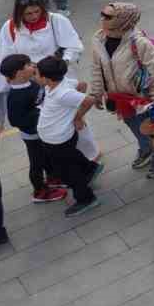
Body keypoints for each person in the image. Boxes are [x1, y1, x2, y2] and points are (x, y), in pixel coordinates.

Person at [86, 1, 154, 177]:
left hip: (142, 97)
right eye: (102, 14)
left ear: (123, 19)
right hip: (118, 97)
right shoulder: (98, 39)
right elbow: (97, 67)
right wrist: (96, 93)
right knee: (133, 124)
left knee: (149, 126)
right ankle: (146, 148)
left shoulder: (140, 42)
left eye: (108, 16)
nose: (102, 19)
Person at [34, 55, 98, 216]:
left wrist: (77, 117)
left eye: (36, 74)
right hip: (55, 138)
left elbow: (89, 100)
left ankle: (85, 198)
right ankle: (90, 169)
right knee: (72, 156)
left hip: (59, 139)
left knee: (66, 172)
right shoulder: (59, 84)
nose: (34, 77)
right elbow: (82, 85)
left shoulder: (62, 93)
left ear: (46, 78)